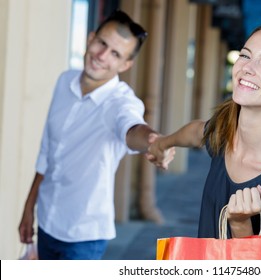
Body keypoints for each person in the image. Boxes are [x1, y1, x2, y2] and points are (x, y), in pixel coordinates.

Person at [147, 22, 261, 239]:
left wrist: (240, 225)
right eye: (245, 55)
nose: (247, 68)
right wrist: (162, 144)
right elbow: (196, 132)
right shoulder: (225, 132)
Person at [18, 10, 174, 260]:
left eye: (115, 54)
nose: (102, 56)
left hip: (84, 237)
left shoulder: (120, 102)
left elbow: (132, 127)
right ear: (90, 39)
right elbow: (47, 151)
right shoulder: (64, 81)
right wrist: (29, 208)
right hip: (47, 221)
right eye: (102, 43)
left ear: (125, 65)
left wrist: (153, 141)